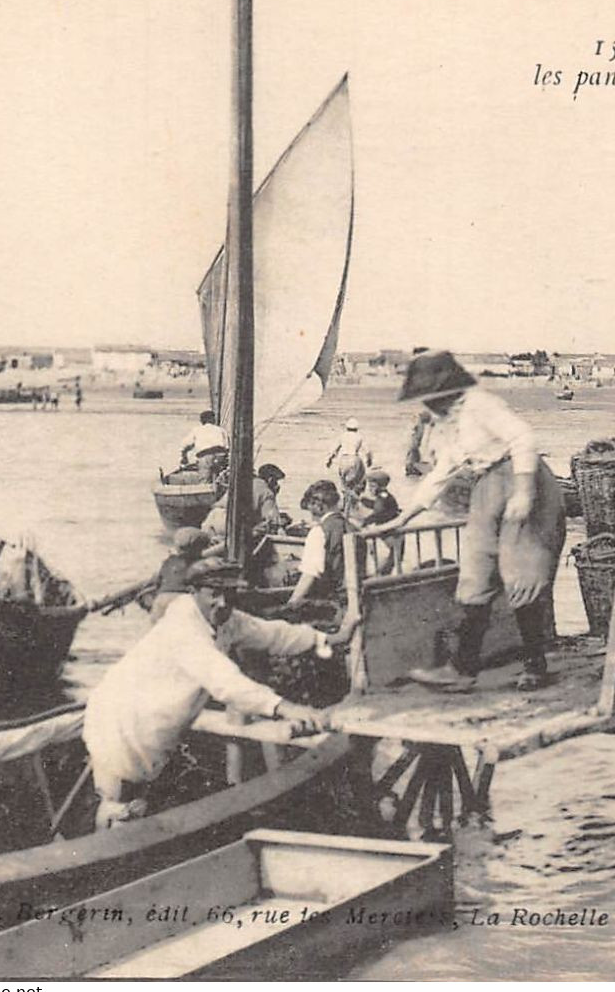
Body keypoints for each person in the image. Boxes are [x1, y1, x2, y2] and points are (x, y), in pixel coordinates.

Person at [82, 559, 352, 830]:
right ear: (195, 592)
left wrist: (326, 639)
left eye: (229, 594)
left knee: (138, 799)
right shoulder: (183, 628)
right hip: (123, 725)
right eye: (214, 594)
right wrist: (285, 708)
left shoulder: (224, 619)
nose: (222, 602)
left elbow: (271, 634)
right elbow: (225, 682)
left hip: (153, 725)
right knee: (118, 806)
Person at [369, 350, 565, 692]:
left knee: (520, 570)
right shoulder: (449, 425)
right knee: (475, 570)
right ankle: (462, 668)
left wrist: (523, 493)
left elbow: (523, 438)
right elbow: (441, 473)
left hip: (525, 479)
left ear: (445, 390)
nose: (427, 405)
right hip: (488, 484)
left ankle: (535, 664)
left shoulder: (479, 404)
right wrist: (400, 520)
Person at [285, 479, 349, 610]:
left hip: (328, 605)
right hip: (350, 601)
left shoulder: (318, 532)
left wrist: (290, 604)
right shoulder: (353, 527)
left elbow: (309, 575)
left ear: (319, 506)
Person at [180, 410, 229, 481]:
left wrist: (184, 456)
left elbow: (185, 445)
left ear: (202, 421)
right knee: (222, 477)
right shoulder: (221, 430)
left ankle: (204, 487)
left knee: (204, 479)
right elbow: (227, 446)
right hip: (220, 455)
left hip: (205, 456)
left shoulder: (197, 430)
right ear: (214, 420)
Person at [253, 462, 289, 534]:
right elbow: (273, 521)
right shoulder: (267, 492)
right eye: (276, 481)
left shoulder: (248, 483)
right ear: (271, 479)